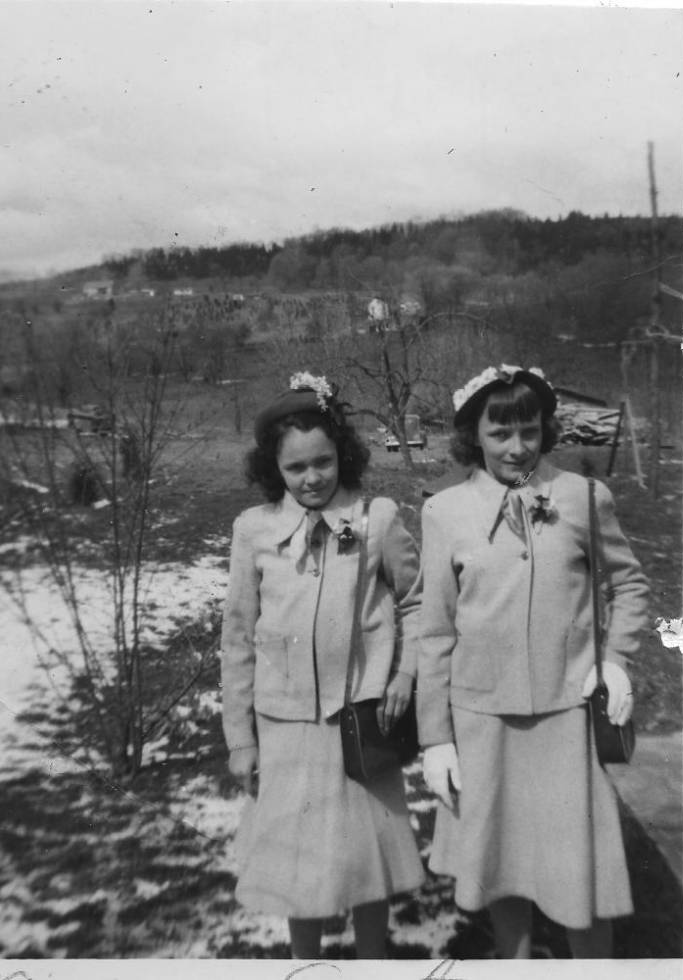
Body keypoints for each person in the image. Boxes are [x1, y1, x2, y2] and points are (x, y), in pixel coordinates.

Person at [417, 363, 649, 959]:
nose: (516, 447)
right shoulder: (443, 512)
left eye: (529, 431)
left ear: (545, 429)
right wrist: (436, 737)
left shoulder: (583, 497)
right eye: (500, 434)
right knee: (500, 861)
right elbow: (436, 630)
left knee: (581, 872)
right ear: (475, 437)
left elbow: (630, 585)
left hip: (564, 715)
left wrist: (616, 660)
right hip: (482, 720)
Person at [220, 372, 425, 958]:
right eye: (296, 468)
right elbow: (237, 636)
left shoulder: (376, 519)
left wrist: (404, 673)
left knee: (368, 858)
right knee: (294, 864)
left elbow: (417, 602)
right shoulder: (253, 531)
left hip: (361, 725)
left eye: (324, 462)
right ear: (273, 470)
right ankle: (304, 962)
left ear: (344, 455)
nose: (312, 478)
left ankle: (372, 961)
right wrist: (241, 738)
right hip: (285, 729)